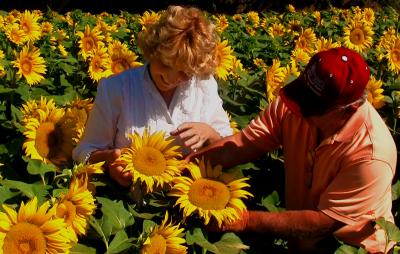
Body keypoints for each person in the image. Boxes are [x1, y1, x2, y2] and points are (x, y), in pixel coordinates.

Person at [188, 47, 397, 253]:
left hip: (350, 247)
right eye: (301, 96)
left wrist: (244, 220)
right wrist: (187, 164)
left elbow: (323, 222)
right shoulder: (293, 106)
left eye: (311, 106)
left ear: (349, 110)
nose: (298, 109)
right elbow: (242, 145)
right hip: (300, 239)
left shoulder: (372, 155)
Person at [72, 5, 233, 187]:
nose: (170, 78)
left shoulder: (203, 85)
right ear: (153, 51)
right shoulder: (116, 88)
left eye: (185, 73)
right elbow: (83, 152)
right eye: (165, 64)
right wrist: (108, 160)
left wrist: (209, 134)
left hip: (193, 198)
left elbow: (229, 147)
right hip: (129, 203)